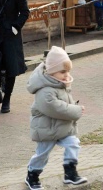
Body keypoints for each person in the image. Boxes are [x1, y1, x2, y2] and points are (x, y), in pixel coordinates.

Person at [25, 46, 87, 190]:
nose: (66, 75)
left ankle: (70, 173)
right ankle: (32, 175)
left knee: (73, 143)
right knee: (42, 154)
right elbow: (55, 108)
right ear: (51, 71)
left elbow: (65, 104)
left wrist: (74, 106)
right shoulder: (44, 90)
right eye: (62, 71)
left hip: (61, 127)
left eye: (68, 71)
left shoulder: (59, 85)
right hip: (46, 129)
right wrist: (76, 110)